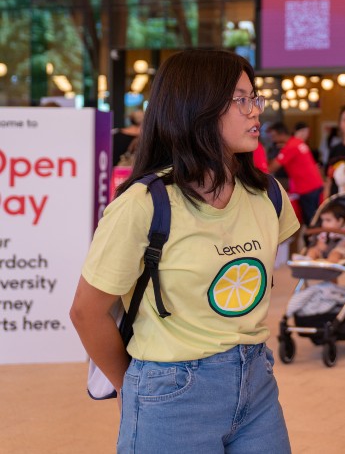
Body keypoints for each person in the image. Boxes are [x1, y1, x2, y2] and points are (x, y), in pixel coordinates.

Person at [68, 49, 300, 452]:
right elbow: (87, 311)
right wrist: (134, 388)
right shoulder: (142, 204)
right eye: (241, 100)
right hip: (171, 388)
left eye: (255, 98)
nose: (256, 111)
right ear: (198, 108)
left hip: (256, 379)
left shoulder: (268, 194)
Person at [267, 121, 325, 225]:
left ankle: (314, 240)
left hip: (307, 188)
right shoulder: (297, 142)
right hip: (315, 185)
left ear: (281, 134)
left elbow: (271, 168)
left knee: (311, 222)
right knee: (317, 219)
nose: (272, 139)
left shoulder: (290, 147)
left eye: (273, 136)